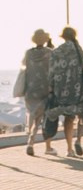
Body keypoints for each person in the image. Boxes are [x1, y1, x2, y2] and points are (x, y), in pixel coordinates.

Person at [45, 25, 83, 157]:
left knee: (68, 118)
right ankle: (78, 140)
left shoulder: (56, 51)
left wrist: (51, 88)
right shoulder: (76, 48)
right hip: (77, 88)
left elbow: (51, 72)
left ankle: (69, 149)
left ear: (63, 37)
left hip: (61, 90)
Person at [18, 28, 54, 156]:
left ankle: (30, 142)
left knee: (32, 116)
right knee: (44, 119)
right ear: (45, 40)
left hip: (30, 90)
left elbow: (23, 65)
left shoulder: (28, 53)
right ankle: (46, 146)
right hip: (45, 90)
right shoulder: (50, 52)